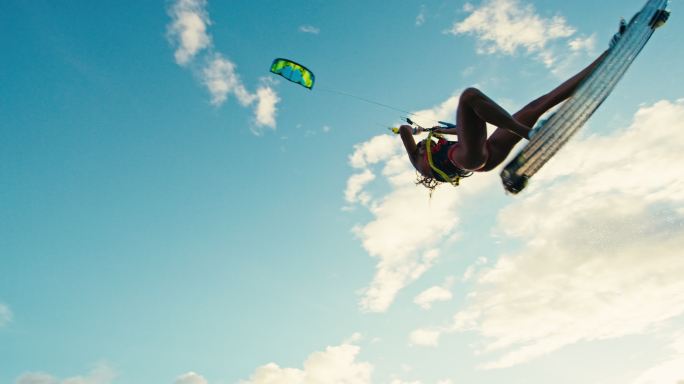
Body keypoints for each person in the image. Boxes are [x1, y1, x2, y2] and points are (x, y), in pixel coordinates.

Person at [400, 44, 616, 191]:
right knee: (469, 96)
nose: (420, 147)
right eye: (419, 147)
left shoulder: (438, 145)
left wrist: (438, 130)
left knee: (537, 105)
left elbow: (469, 131)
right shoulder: (418, 162)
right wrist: (416, 131)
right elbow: (403, 130)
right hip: (473, 159)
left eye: (421, 145)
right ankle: (528, 133)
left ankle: (607, 57)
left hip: (487, 151)